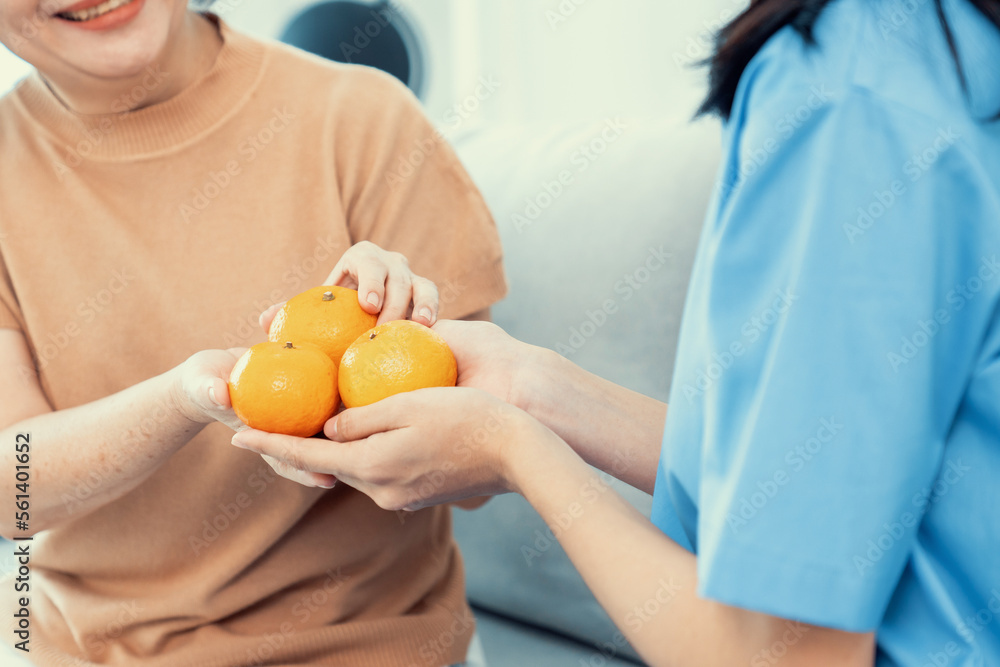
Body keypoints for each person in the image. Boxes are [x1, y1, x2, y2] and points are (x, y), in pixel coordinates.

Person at [233, 0, 1000, 664]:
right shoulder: (935, 50)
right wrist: (538, 391)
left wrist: (515, 449)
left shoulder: (853, 97)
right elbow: (814, 480)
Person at [0, 1, 505, 666]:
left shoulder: (364, 120)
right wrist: (185, 398)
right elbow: (15, 495)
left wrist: (402, 369)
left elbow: (478, 476)